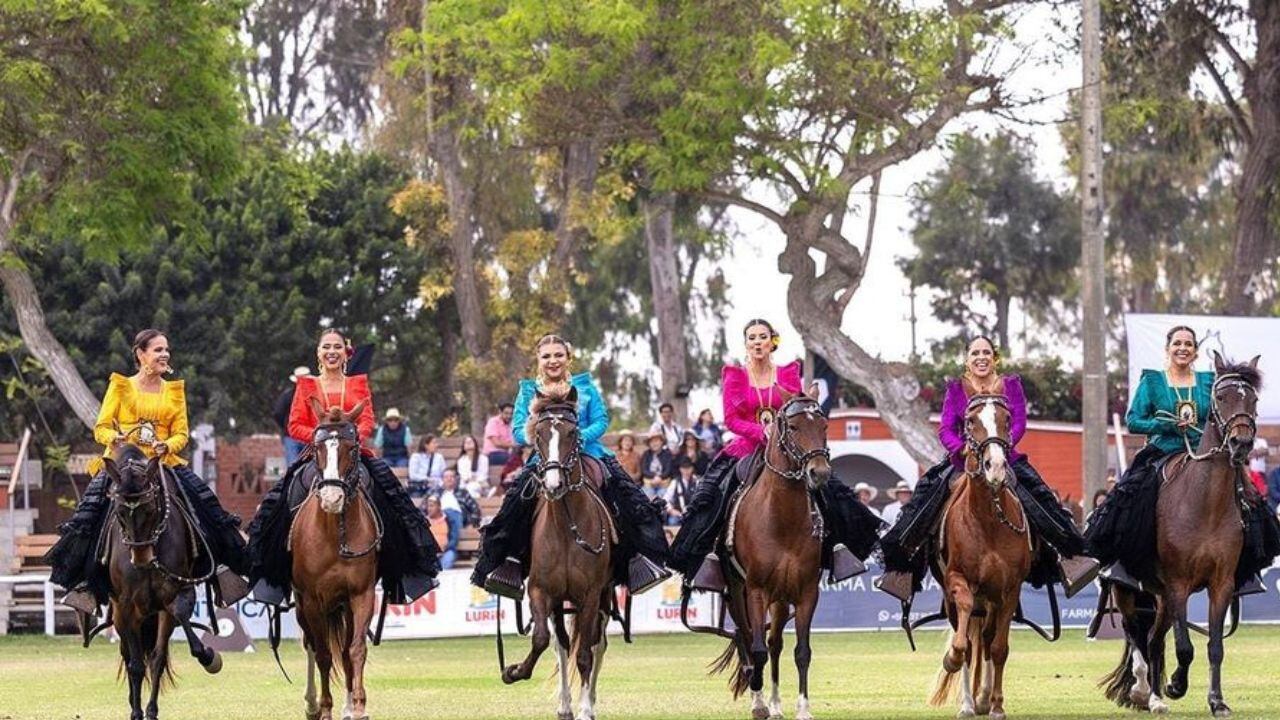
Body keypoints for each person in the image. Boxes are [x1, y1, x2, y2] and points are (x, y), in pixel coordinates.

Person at [878, 335, 1099, 603]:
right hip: (964, 460)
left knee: (1042, 500)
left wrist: (999, 446)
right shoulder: (956, 389)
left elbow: (1019, 423)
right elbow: (946, 429)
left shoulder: (1011, 385)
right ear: (967, 359)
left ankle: (1069, 558)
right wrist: (962, 449)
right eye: (975, 353)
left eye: (986, 352)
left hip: (1005, 457)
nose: (981, 357)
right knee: (923, 502)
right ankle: (903, 569)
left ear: (994, 357)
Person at [669, 319, 882, 592]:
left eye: (762, 337)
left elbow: (796, 409)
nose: (757, 342)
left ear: (772, 342)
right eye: (752, 338)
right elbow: (731, 420)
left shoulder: (788, 373)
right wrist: (762, 431)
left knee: (830, 489)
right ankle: (710, 556)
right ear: (746, 344)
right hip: (745, 448)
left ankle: (837, 548)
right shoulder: (734, 375)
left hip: (788, 448)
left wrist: (781, 431)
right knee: (711, 494)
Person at [47, 329, 250, 614]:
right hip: (122, 464)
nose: (165, 354)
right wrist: (114, 438)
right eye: (158, 350)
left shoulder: (174, 391)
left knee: (207, 507)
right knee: (87, 516)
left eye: (166, 349)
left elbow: (182, 434)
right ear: (141, 354)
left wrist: (166, 445)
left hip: (161, 463)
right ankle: (84, 585)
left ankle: (221, 572)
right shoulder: (120, 386)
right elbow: (101, 427)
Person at [245, 328, 440, 607]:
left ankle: (403, 572)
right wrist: (322, 436)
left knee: (392, 499)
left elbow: (367, 420)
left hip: (352, 453)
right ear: (318, 353)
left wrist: (348, 436)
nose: (331, 352)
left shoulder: (358, 383)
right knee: (280, 502)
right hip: (317, 455)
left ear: (345, 353)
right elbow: (294, 425)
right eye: (326, 347)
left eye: (337, 346)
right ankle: (273, 575)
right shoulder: (306, 385)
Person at [471, 334, 672, 600]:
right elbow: (518, 430)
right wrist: (543, 437)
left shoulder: (585, 387)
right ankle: (511, 562)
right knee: (514, 504)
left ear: (568, 358)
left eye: (558, 355)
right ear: (538, 360)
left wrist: (577, 438)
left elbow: (601, 421)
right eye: (546, 356)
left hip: (590, 454)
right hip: (545, 458)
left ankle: (637, 559)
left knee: (628, 498)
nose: (553, 360)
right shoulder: (528, 391)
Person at [1084, 325, 1280, 593]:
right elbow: (1134, 421)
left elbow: (1227, 409)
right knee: (1131, 498)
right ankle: (1120, 565)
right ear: (1168, 349)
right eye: (1177, 343)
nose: (1183, 348)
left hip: (1206, 453)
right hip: (1162, 451)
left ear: (1195, 351)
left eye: (1188, 344)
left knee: (1250, 499)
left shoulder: (1209, 382)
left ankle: (1246, 569)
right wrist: (1167, 425)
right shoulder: (1152, 381)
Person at [274, 366, 311, 466]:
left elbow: (278, 413)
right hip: (307, 435)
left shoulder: (287, 395)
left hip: (293, 436)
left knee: (293, 466)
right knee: (310, 466)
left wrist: (286, 426)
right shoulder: (314, 396)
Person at [424, 496, 457, 570]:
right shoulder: (424, 521)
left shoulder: (449, 520)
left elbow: (454, 538)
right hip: (429, 554)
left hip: (446, 552)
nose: (429, 509)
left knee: (450, 556)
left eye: (432, 506)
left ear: (439, 507)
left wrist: (445, 549)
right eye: (428, 506)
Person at [639, 431, 674, 495]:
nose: (654, 444)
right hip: (649, 482)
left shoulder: (667, 454)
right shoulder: (646, 454)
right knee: (647, 495)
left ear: (661, 442)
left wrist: (660, 477)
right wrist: (654, 476)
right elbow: (644, 469)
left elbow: (668, 469)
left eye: (656, 441)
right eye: (652, 442)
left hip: (664, 482)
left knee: (662, 495)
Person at [664, 456, 696, 526]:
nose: (686, 471)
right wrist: (671, 510)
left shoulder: (697, 482)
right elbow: (665, 500)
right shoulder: (675, 482)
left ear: (692, 468)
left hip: (694, 514)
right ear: (680, 469)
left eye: (688, 468)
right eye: (684, 468)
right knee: (672, 521)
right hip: (678, 514)